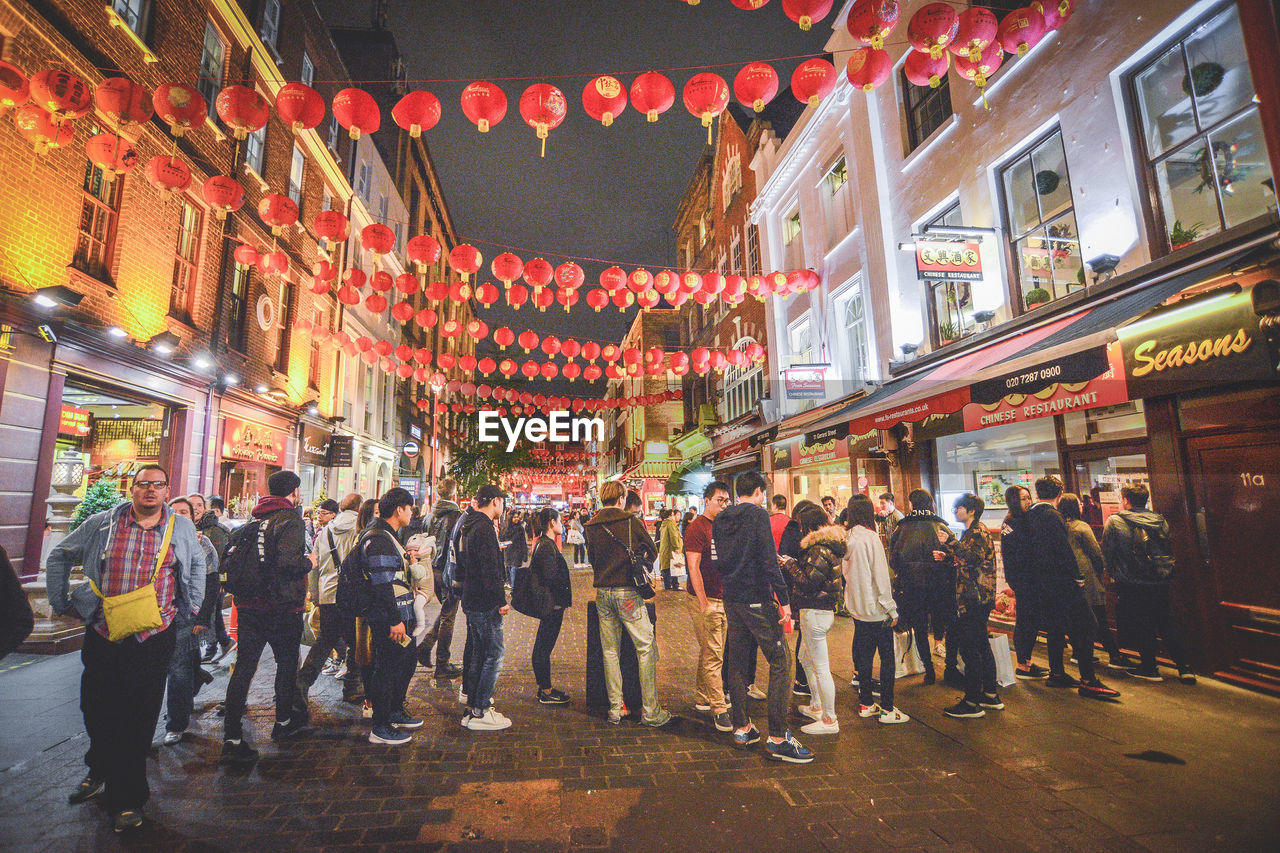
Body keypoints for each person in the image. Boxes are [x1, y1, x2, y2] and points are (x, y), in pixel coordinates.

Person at [46, 464, 204, 833]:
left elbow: (196, 565)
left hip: (153, 635)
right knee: (95, 708)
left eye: (158, 485)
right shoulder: (103, 523)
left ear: (167, 490)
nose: (150, 490)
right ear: (132, 489)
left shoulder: (180, 527)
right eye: (143, 484)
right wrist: (60, 602)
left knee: (138, 717)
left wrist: (190, 608)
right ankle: (99, 767)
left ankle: (128, 798)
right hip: (104, 632)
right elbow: (59, 556)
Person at [715, 471, 813, 764]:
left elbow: (718, 558)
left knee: (738, 661)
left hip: (732, 597)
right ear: (758, 492)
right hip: (757, 598)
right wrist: (784, 601)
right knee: (781, 662)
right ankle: (779, 737)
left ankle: (742, 727)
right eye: (763, 494)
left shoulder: (721, 518)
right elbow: (769, 561)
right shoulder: (757, 516)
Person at [221, 470, 314, 765]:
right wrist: (308, 562)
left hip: (249, 608)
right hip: (282, 608)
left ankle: (232, 735)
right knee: (286, 665)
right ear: (293, 492)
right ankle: (284, 722)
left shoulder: (252, 520)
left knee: (245, 668)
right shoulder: (290, 520)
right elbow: (288, 564)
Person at [584, 480, 673, 728]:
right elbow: (651, 551)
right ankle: (650, 710)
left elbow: (593, 560)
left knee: (610, 651)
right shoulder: (630, 521)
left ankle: (615, 708)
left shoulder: (591, 526)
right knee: (645, 648)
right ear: (621, 498)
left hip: (603, 593)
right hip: (627, 593)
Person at [1024, 476, 1120, 700]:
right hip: (1062, 582)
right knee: (1087, 625)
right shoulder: (1052, 516)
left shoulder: (1029, 516)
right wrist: (1077, 578)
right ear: (1059, 493)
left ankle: (1057, 672)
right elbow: (1063, 552)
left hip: (1042, 583)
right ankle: (1088, 680)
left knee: (1056, 628)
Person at [1102, 483, 1193, 683]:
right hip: (1160, 579)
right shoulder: (1160, 520)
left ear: (1125, 500)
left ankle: (1150, 667)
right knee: (1166, 620)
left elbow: (1108, 553)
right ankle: (1184, 667)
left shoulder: (1115, 521)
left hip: (1131, 582)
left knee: (1142, 623)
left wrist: (1112, 575)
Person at [360, 488, 424, 745]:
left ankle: (395, 712)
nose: (411, 513)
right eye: (410, 509)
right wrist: (393, 619)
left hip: (400, 612)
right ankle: (381, 725)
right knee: (386, 668)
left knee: (405, 662)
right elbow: (381, 584)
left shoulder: (388, 536)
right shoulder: (379, 538)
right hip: (390, 616)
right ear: (400, 509)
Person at [781, 503, 846, 736]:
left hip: (816, 611)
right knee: (805, 658)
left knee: (820, 666)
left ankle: (830, 718)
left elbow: (809, 582)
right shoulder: (827, 547)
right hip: (819, 611)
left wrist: (789, 565)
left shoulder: (819, 549)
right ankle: (817, 705)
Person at [935, 494, 1002, 719]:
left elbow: (972, 559)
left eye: (959, 507)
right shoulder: (973, 531)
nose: (955, 510)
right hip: (976, 596)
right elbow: (967, 561)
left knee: (971, 648)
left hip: (974, 597)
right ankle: (990, 695)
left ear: (971, 510)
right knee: (981, 644)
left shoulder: (977, 532)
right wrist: (946, 557)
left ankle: (972, 701)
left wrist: (950, 542)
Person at [842, 495, 907, 724]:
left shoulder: (847, 538)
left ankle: (866, 703)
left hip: (858, 609)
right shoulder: (871, 538)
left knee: (864, 658)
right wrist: (892, 609)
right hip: (876, 610)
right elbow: (881, 577)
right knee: (887, 658)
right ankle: (888, 708)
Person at [297, 494, 363, 710]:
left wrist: (316, 594)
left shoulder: (325, 530)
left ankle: (302, 684)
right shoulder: (360, 529)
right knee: (356, 643)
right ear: (359, 507)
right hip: (349, 594)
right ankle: (352, 688)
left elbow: (314, 564)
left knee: (325, 641)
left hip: (327, 594)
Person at [162, 497, 218, 745]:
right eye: (174, 511)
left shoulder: (201, 542)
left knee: (179, 669)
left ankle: (176, 723)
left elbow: (212, 581)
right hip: (155, 613)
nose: (180, 515)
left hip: (185, 614)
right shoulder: (157, 538)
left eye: (185, 511)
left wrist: (203, 616)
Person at [888, 490, 955, 685]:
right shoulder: (940, 524)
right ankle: (949, 667)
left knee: (919, 628)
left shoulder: (901, 528)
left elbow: (893, 560)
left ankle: (929, 670)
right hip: (940, 584)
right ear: (930, 503)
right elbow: (954, 551)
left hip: (912, 587)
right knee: (945, 623)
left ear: (911, 504)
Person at [460, 485, 512, 731]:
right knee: (494, 653)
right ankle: (481, 709)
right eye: (502, 501)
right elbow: (489, 569)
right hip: (484, 601)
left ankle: (473, 706)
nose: (503, 507)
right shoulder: (484, 528)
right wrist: (500, 600)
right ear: (494, 501)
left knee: (479, 654)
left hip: (472, 598)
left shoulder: (470, 525)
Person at [1060, 493, 1131, 671]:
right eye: (1079, 503)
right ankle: (1114, 655)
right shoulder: (1081, 527)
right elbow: (1096, 554)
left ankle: (1079, 653)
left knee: (1076, 619)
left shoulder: (1059, 526)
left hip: (1068, 579)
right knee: (1099, 618)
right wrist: (1102, 571)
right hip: (1087, 578)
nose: (1083, 505)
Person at [684, 480, 733, 732]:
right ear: (707, 501)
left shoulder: (725, 526)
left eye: (726, 500)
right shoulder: (697, 528)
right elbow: (693, 567)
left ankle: (703, 695)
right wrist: (703, 602)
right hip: (705, 599)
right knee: (714, 652)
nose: (724, 505)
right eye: (719, 500)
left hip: (724, 597)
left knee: (711, 649)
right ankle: (718, 707)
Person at [418, 478, 465, 680]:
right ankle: (442, 664)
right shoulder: (457, 517)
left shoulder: (429, 517)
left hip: (431, 570)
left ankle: (425, 646)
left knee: (447, 611)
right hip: (448, 571)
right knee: (449, 616)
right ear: (454, 494)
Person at [1001, 486, 1049, 680]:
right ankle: (1023, 665)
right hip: (1024, 579)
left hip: (1027, 578)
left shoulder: (1018, 520)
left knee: (1030, 620)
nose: (1028, 502)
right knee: (1026, 621)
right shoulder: (1014, 522)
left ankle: (1026, 662)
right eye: (1023, 499)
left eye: (1029, 498)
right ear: (1014, 501)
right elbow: (1019, 554)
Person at [527, 507, 573, 704]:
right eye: (559, 520)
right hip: (551, 604)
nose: (561, 524)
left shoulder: (545, 544)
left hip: (551, 603)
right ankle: (545, 690)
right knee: (543, 647)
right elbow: (550, 577)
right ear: (551, 523)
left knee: (544, 645)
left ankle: (545, 687)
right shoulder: (546, 546)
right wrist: (558, 600)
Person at [192, 493, 232, 662]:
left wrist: (223, 580)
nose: (195, 509)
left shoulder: (215, 530)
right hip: (193, 582)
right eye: (191, 505)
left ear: (206, 508)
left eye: (199, 505)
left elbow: (223, 558)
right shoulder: (186, 528)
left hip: (213, 581)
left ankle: (213, 645)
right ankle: (223, 642)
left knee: (211, 612)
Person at [657, 508, 683, 591]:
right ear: (670, 516)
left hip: (665, 549)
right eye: (674, 515)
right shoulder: (671, 523)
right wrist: (676, 547)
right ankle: (675, 585)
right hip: (671, 549)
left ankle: (667, 585)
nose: (676, 517)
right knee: (675, 566)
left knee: (666, 567)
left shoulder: (664, 524)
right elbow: (673, 536)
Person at [501, 509, 528, 589]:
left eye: (517, 517)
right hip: (508, 552)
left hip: (517, 552)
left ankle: (514, 589)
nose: (516, 519)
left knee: (514, 570)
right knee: (509, 569)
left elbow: (523, 542)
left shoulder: (520, 529)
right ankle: (511, 585)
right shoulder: (506, 528)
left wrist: (525, 554)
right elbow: (502, 539)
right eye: (514, 517)